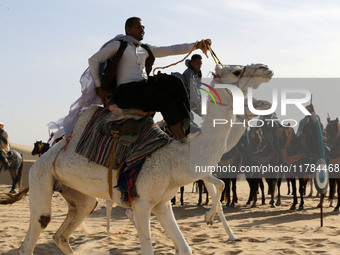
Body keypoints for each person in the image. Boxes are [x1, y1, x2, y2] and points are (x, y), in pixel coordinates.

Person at [88, 17, 211, 142]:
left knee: (175, 82)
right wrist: (99, 87)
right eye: (138, 27)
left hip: (144, 87)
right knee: (165, 101)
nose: (142, 30)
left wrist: (196, 46)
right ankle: (183, 141)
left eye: (143, 27)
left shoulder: (145, 48)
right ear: (128, 29)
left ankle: (187, 122)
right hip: (127, 92)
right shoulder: (119, 45)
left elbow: (170, 50)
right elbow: (93, 60)